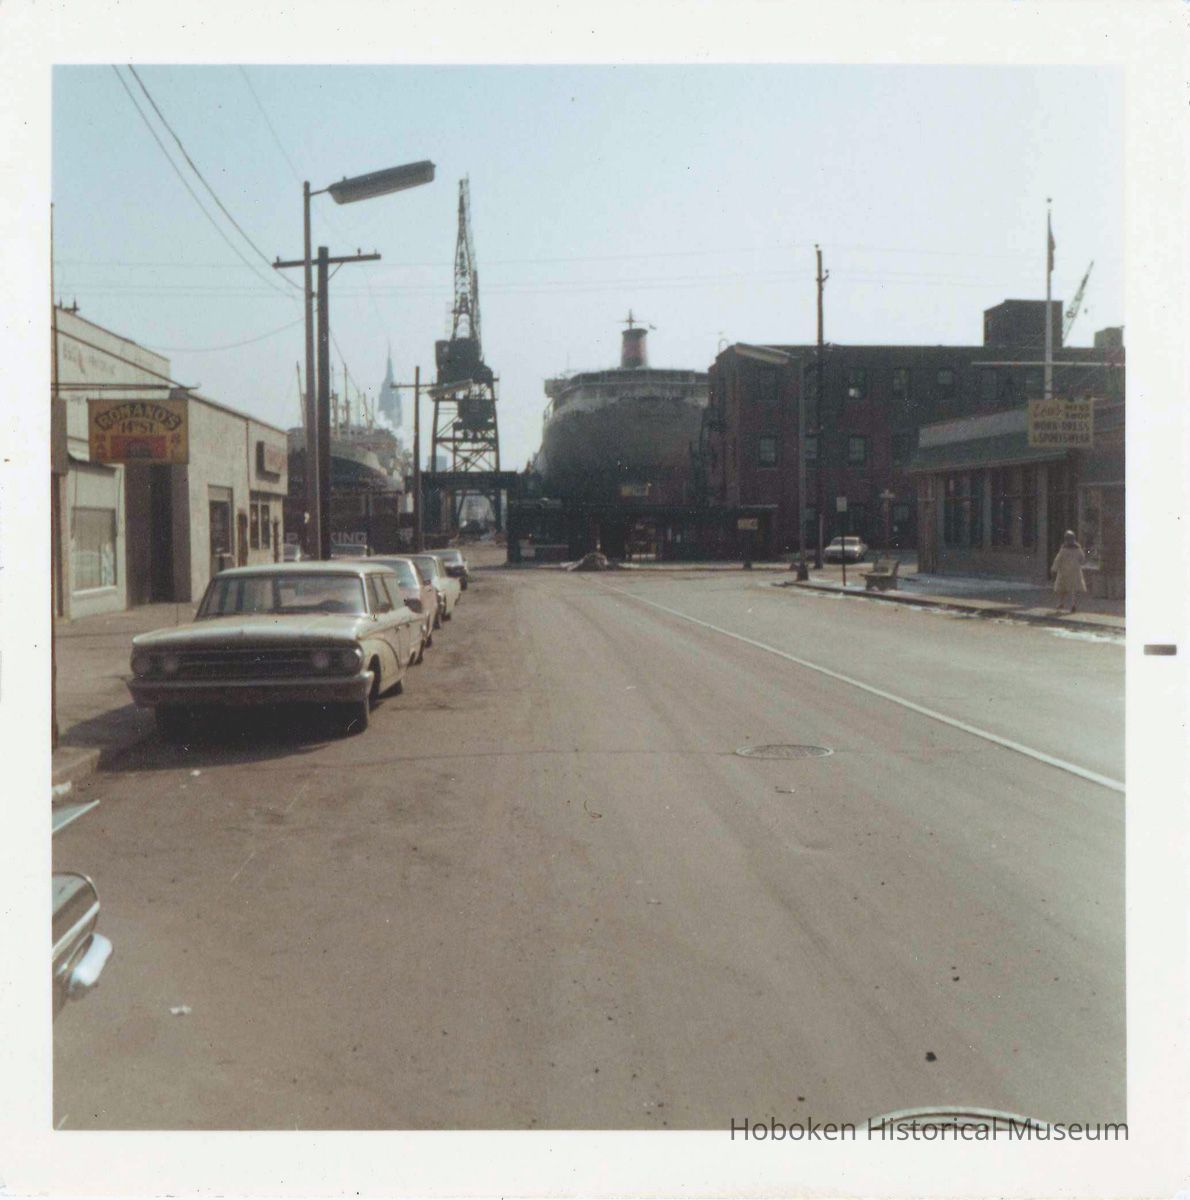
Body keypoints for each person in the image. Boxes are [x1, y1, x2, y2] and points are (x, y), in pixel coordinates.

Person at [1051, 530, 1087, 613]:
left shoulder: (1064, 548)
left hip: (1064, 570)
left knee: (1061, 588)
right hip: (1075, 570)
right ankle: (1073, 604)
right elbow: (1082, 558)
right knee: (1073, 588)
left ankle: (1061, 603)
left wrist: (1054, 569)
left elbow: (1058, 559)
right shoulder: (1078, 548)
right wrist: (1080, 562)